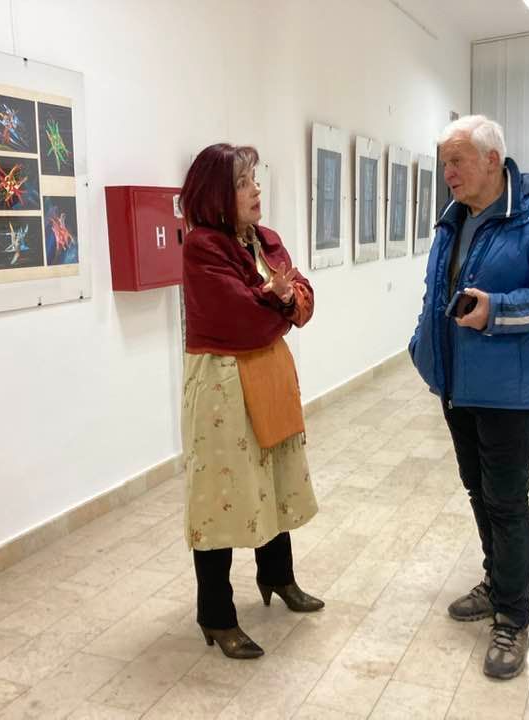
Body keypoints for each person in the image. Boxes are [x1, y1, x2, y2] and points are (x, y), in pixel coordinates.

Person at [409, 115, 529, 679]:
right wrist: (422, 345)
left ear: (492, 160)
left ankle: (512, 616)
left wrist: (500, 311)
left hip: (509, 392)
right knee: (478, 490)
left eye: (457, 161)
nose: (448, 173)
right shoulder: (453, 220)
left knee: (507, 501)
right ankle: (497, 581)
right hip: (456, 386)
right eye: (444, 163)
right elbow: (437, 292)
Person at [179, 143, 323, 660]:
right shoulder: (203, 247)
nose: (255, 190)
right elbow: (241, 319)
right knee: (222, 493)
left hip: (267, 373)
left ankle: (278, 576)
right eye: (243, 183)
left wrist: (284, 300)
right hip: (223, 384)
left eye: (254, 179)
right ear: (217, 194)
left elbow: (304, 299)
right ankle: (216, 615)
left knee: (272, 478)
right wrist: (278, 301)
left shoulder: (265, 239)